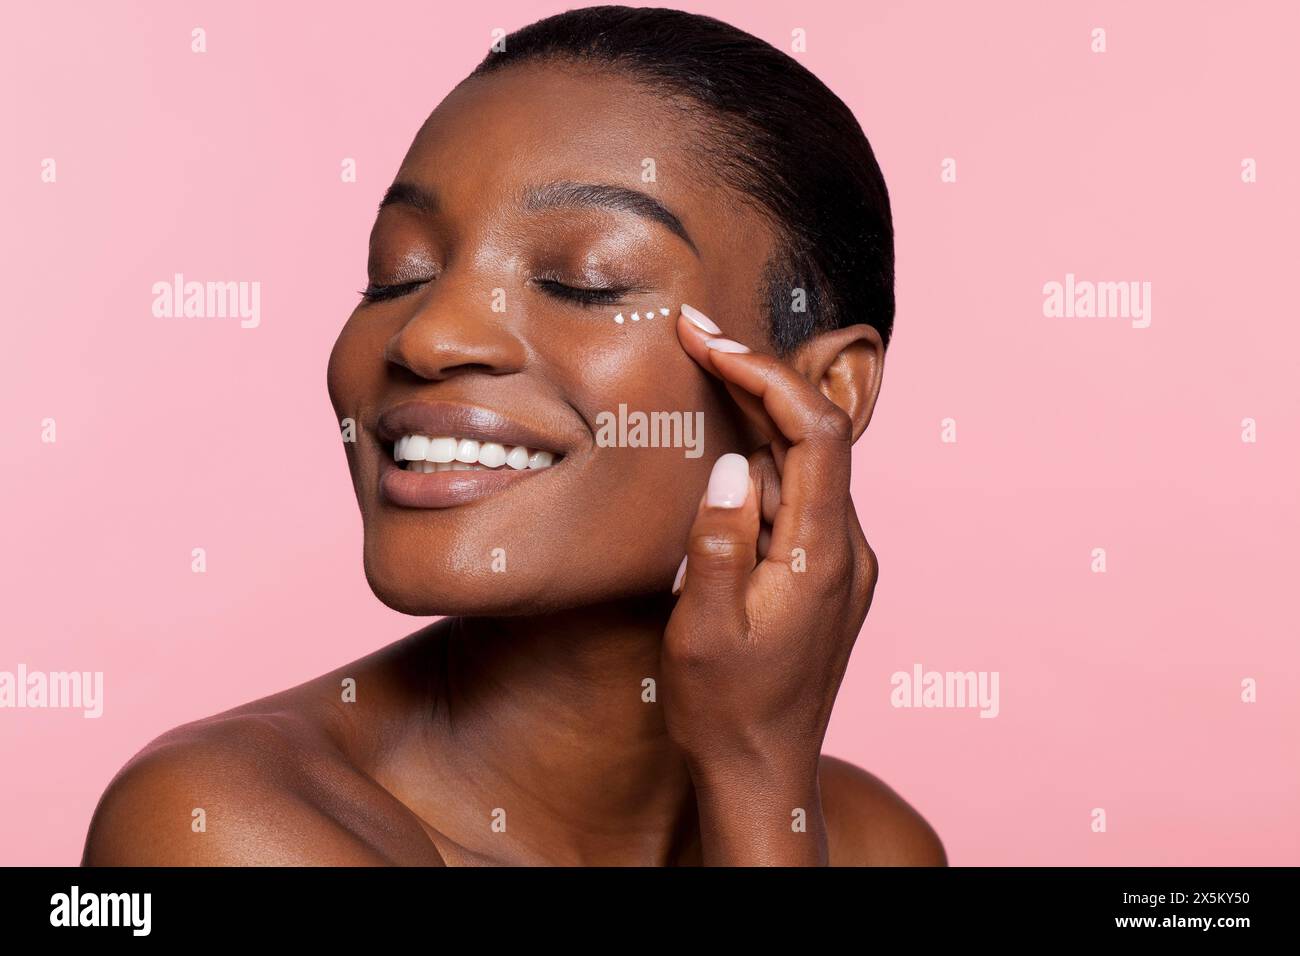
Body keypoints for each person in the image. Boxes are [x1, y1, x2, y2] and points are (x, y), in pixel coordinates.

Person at [83, 5, 945, 866]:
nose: (427, 337)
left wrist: (758, 787)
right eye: (398, 274)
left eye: (585, 281)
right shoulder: (220, 826)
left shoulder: (874, 846)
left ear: (822, 390)